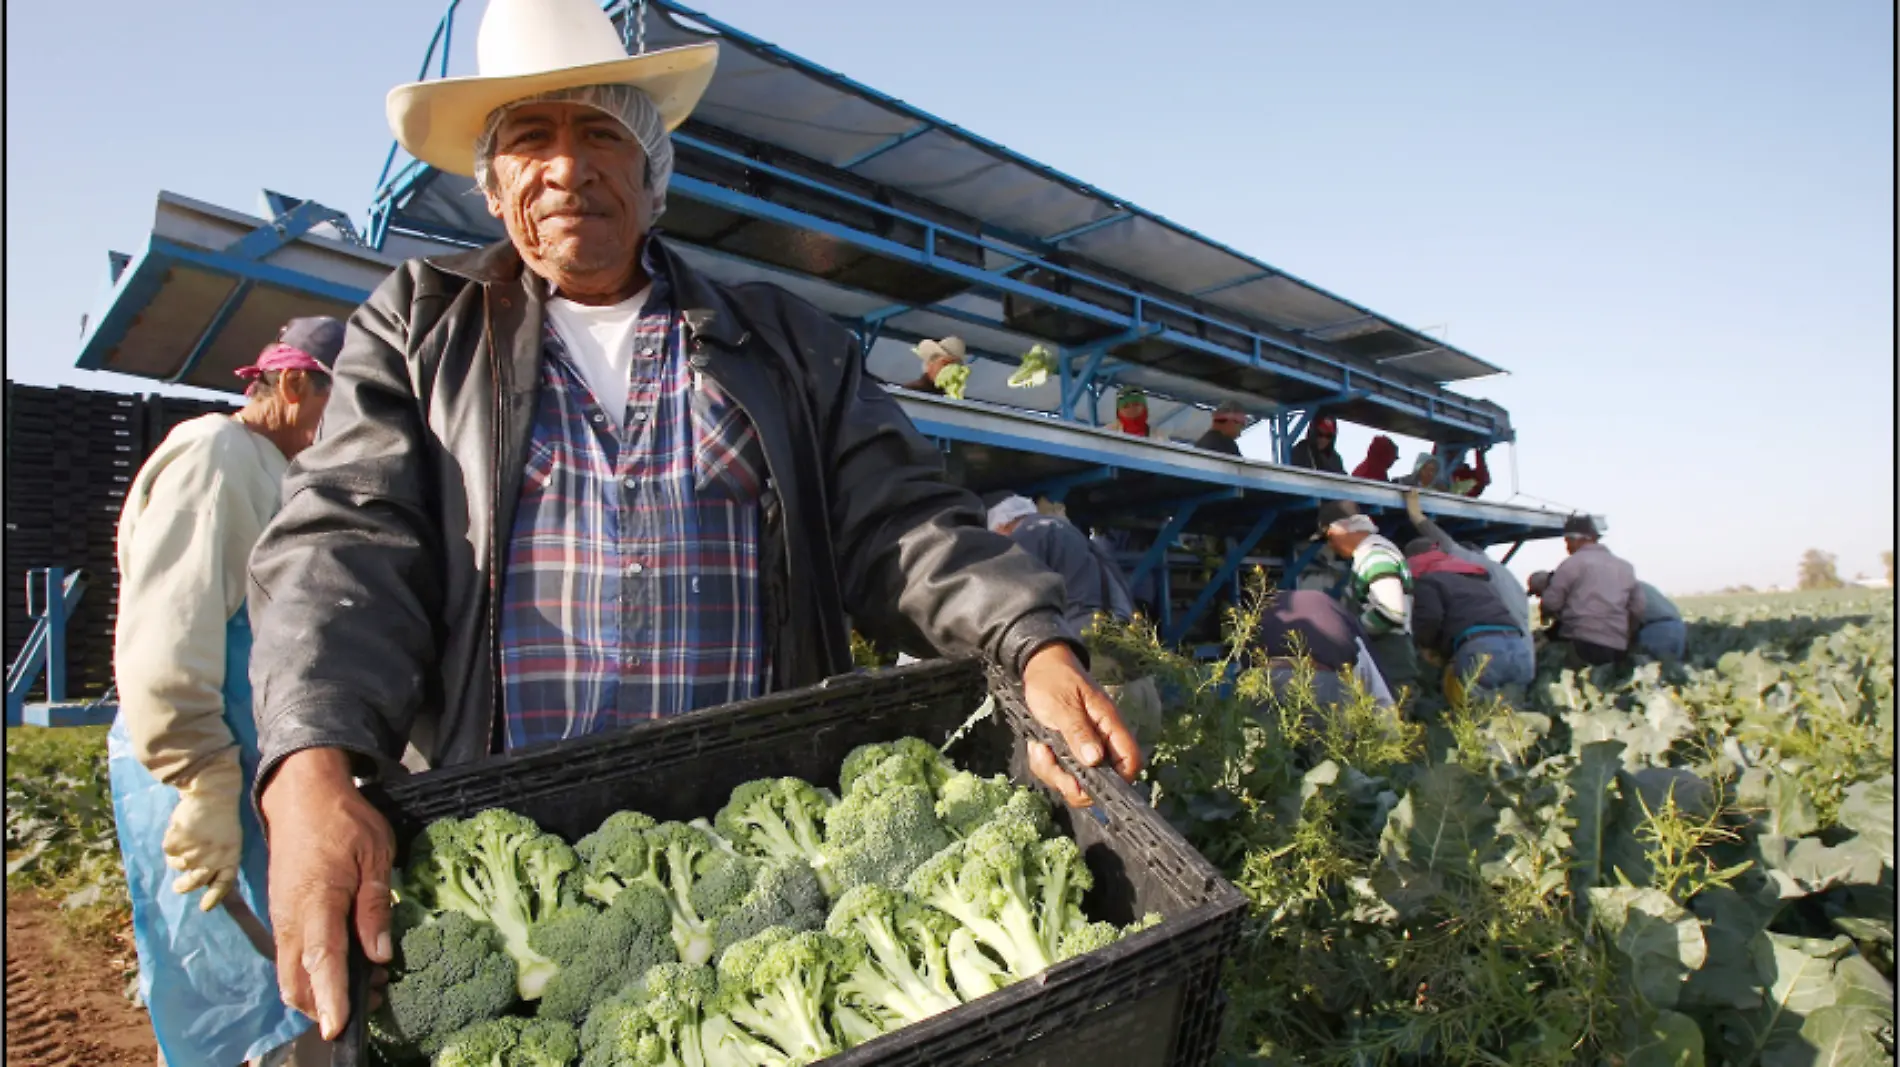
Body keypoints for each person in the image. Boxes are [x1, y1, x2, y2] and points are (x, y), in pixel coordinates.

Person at [246, 0, 1140, 1040]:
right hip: (514, 832)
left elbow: (899, 522)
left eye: (599, 134)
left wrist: (1023, 633)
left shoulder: (784, 341)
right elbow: (346, 539)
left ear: (650, 169)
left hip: (746, 847)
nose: (566, 168)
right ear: (492, 190)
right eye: (529, 141)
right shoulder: (417, 328)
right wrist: (308, 755)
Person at [110, 318, 342, 1067]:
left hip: (259, 770)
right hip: (211, 774)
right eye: (340, 407)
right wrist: (203, 775)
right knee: (242, 1005)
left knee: (291, 994)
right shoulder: (214, 454)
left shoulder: (273, 467)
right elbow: (169, 630)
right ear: (296, 385)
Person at [1404, 489, 1535, 669]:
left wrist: (1416, 515)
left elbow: (1430, 619)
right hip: (1522, 652)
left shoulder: (1437, 576)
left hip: (1481, 652)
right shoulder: (1486, 576)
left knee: (1470, 696)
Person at [1404, 537, 1533, 699]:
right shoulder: (1476, 577)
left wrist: (1425, 646)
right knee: (1514, 716)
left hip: (1481, 651)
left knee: (1473, 718)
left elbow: (1430, 619)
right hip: (1519, 649)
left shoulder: (1429, 580)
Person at [988, 495, 1135, 634]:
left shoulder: (1026, 533)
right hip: (1113, 617)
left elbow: (1015, 593)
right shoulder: (1068, 529)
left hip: (1078, 624)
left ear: (1003, 525)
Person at [1316, 500, 1419, 694]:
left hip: (1388, 663)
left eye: (1329, 537)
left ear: (1340, 529)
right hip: (1388, 661)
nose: (1330, 545)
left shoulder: (1375, 555)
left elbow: (1391, 611)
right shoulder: (1374, 552)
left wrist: (1348, 636)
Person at [1530, 515, 1645, 668]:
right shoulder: (1625, 567)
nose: (1567, 547)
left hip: (1580, 642)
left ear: (1577, 539)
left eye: (1567, 541)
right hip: (1617, 645)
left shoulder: (1571, 564)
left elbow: (1552, 603)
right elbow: (1638, 608)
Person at [1256, 588, 1393, 710]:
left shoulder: (1262, 613)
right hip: (1324, 677)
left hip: (1265, 675)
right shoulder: (1341, 619)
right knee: (1329, 735)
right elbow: (1379, 699)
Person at [1633, 581, 1686, 661]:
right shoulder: (1643, 585)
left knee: (1647, 667)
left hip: (1657, 630)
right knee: (1672, 667)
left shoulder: (1624, 590)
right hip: (1678, 628)